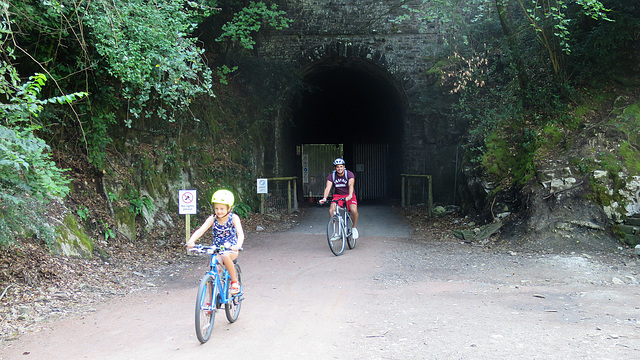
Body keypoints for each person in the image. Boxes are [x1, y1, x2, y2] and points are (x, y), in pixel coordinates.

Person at [186, 189, 245, 294]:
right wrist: (191, 241)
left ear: (229, 208)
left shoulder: (233, 218)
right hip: (217, 250)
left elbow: (240, 233)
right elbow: (201, 230)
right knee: (213, 272)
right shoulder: (213, 218)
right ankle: (210, 304)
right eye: (216, 208)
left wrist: (237, 245)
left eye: (222, 208)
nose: (219, 211)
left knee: (225, 256)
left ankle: (235, 282)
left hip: (231, 249)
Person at [318, 157, 359, 240]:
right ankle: (335, 233)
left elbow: (351, 185)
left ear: (344, 167)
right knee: (331, 211)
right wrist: (324, 198)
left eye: (341, 166)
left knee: (353, 210)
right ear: (335, 168)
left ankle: (354, 228)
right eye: (337, 167)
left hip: (349, 194)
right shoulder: (332, 176)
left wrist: (350, 195)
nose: (339, 168)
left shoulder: (349, 174)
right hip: (338, 195)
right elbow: (328, 188)